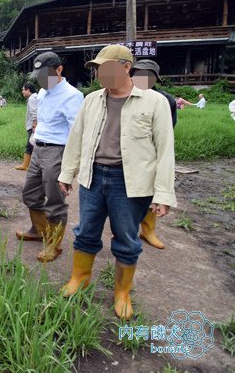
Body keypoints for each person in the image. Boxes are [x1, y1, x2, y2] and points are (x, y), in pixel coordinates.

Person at [58, 45, 176, 320]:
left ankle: (121, 292)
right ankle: (80, 278)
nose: (101, 75)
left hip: (130, 182)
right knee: (86, 230)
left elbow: (165, 149)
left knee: (126, 237)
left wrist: (163, 193)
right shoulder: (92, 100)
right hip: (93, 177)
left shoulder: (154, 102)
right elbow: (77, 138)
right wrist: (67, 173)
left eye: (107, 69)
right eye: (98, 70)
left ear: (126, 67)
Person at [16, 52, 84, 263]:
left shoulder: (72, 95)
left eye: (46, 75)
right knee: (30, 194)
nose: (42, 80)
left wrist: (72, 167)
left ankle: (54, 245)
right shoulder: (44, 93)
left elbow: (77, 132)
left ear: (59, 70)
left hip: (57, 151)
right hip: (39, 148)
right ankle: (39, 230)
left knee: (55, 201)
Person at [131, 60, 177, 249]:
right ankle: (127, 233)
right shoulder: (123, 95)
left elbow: (167, 131)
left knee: (148, 194)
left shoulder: (165, 100)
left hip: (150, 155)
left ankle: (148, 231)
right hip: (126, 155)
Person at [14, 83, 38, 171]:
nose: (22, 91)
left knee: (30, 145)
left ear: (28, 90)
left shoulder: (32, 98)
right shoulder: (36, 97)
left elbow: (34, 112)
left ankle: (25, 165)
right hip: (34, 125)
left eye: (23, 89)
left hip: (33, 126)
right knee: (32, 145)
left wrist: (34, 125)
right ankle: (29, 165)